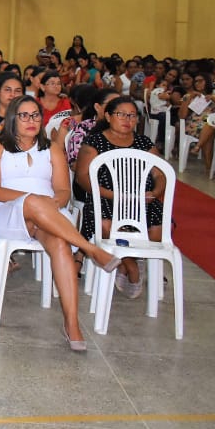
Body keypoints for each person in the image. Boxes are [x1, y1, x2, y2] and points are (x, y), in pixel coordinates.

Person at [0, 97, 123, 351]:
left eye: (35, 115)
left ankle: (72, 323)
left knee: (59, 243)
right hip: (6, 214)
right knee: (34, 202)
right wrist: (31, 201)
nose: (31, 121)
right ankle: (90, 249)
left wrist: (49, 204)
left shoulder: (52, 149)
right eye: (24, 115)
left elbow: (62, 191)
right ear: (13, 118)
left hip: (50, 216)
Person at [75, 96, 167, 298]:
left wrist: (155, 193)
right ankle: (130, 265)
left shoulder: (143, 143)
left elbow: (161, 174)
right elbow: (83, 178)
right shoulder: (94, 142)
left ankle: (129, 262)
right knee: (106, 226)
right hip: (105, 199)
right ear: (108, 116)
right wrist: (117, 196)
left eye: (132, 116)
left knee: (157, 228)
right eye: (121, 114)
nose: (128, 119)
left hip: (142, 202)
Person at [179, 74, 215, 175]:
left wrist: (214, 100)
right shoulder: (188, 96)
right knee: (209, 133)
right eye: (196, 81)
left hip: (214, 126)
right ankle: (208, 168)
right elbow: (182, 116)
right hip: (194, 125)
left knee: (210, 123)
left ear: (207, 81)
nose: (197, 83)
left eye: (201, 81)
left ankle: (197, 146)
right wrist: (189, 99)